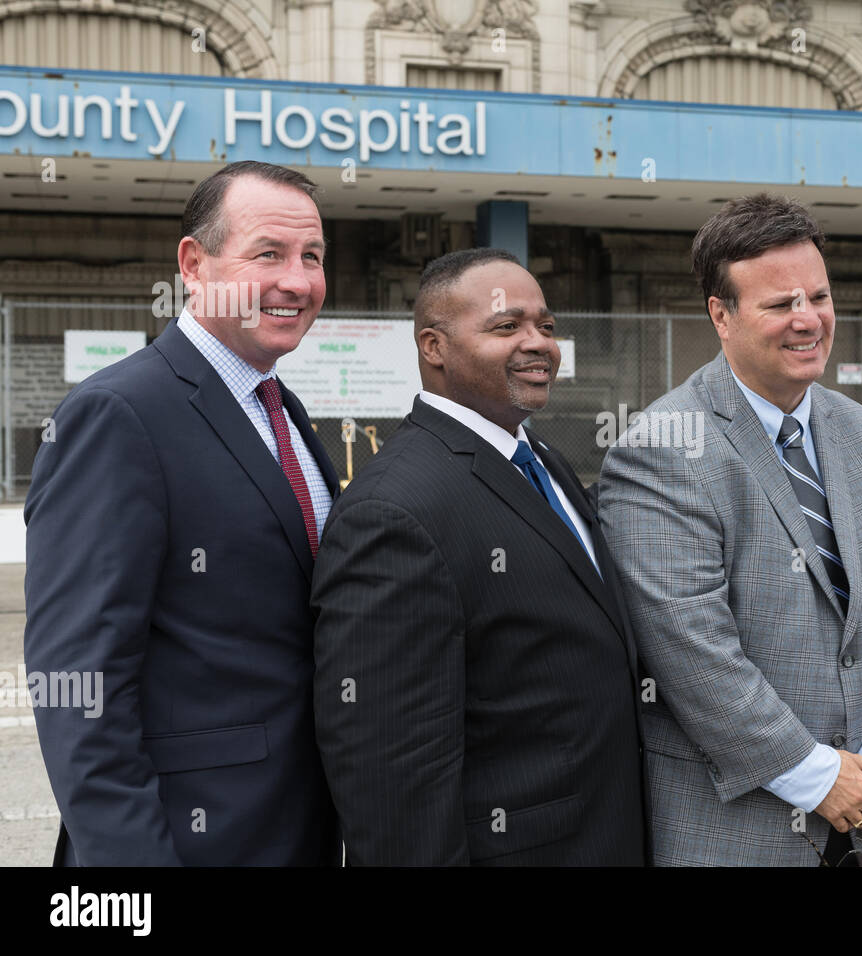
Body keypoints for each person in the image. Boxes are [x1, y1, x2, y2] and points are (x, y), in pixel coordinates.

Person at [597, 194, 862, 866]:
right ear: (720, 315)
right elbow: (692, 653)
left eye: (818, 295)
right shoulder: (661, 448)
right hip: (733, 833)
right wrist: (819, 777)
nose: (807, 319)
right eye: (781, 305)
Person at [24, 160, 340, 865]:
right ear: (194, 265)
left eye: (312, 256)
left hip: (297, 832)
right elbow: (81, 683)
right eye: (269, 254)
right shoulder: (119, 414)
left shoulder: (284, 412)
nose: (298, 280)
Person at [312, 247, 646, 866]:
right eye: (506, 326)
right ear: (434, 347)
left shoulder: (540, 460)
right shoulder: (393, 510)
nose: (539, 343)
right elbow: (391, 774)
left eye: (545, 326)